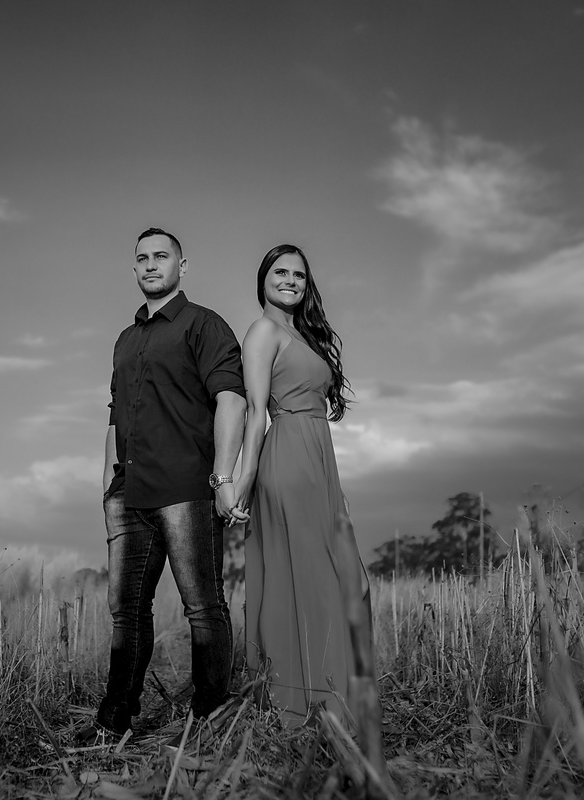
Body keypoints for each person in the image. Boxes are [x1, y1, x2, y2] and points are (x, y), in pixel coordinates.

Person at [77, 227, 246, 744]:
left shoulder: (203, 324)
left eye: (162, 257)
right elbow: (114, 417)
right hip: (129, 495)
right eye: (142, 258)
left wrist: (222, 479)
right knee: (126, 612)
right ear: (134, 269)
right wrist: (108, 486)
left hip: (185, 487)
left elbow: (232, 401)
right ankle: (115, 720)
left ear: (182, 265)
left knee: (202, 606)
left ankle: (210, 717)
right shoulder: (126, 340)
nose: (151, 265)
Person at [230, 243, 374, 723]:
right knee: (309, 576)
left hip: (320, 459)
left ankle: (332, 691)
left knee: (343, 575)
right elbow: (255, 413)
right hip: (289, 458)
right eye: (280, 272)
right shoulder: (263, 331)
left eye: (298, 274)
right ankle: (299, 699)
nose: (290, 280)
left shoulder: (303, 334)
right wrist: (239, 484)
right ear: (263, 279)